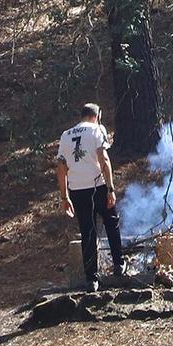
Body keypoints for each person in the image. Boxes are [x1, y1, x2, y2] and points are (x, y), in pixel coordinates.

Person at [56, 103, 123, 293]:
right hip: (98, 186)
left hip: (77, 190)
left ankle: (91, 279)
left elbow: (61, 167)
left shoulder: (65, 135)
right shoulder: (98, 130)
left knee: (88, 232)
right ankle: (118, 264)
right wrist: (110, 188)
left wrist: (64, 196)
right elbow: (104, 159)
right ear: (97, 115)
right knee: (111, 222)